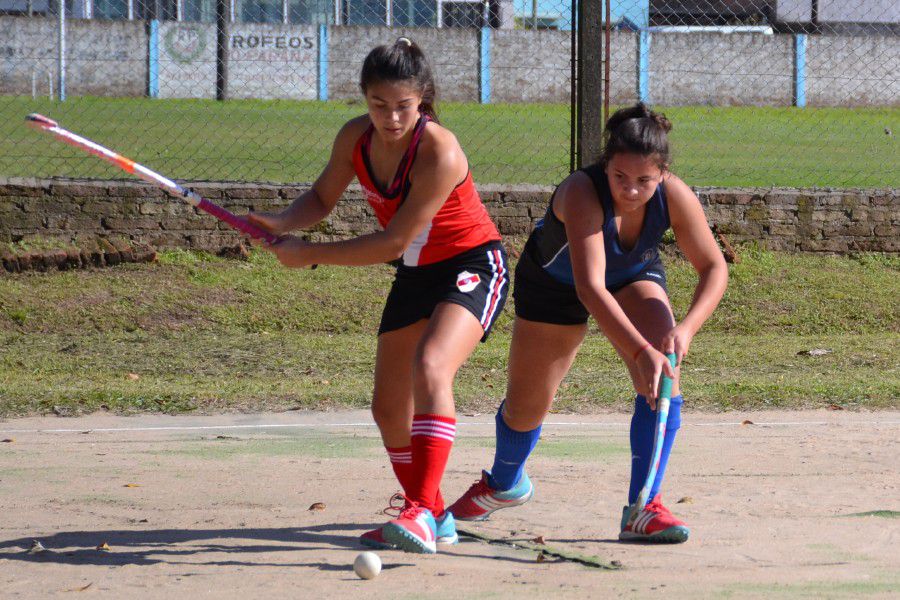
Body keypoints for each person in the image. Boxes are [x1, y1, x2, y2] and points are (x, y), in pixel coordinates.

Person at [247, 38, 509, 554]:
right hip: (416, 272)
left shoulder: (440, 150)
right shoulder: (354, 139)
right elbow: (322, 198)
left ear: (423, 100)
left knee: (432, 366)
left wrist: (312, 254)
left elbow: (391, 240)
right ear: (364, 100)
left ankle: (417, 514)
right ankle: (431, 511)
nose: (391, 118)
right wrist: (277, 223)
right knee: (389, 409)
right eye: (378, 105)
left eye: (403, 107)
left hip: (471, 264)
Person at [447, 103, 728, 543]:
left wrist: (684, 329)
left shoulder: (674, 194)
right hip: (556, 285)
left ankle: (644, 506)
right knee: (526, 408)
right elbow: (589, 287)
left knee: (663, 373)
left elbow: (714, 267)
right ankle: (504, 483)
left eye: (644, 182)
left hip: (633, 275)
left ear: (662, 175)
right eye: (621, 178)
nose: (631, 191)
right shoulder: (582, 191)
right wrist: (639, 351)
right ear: (605, 165)